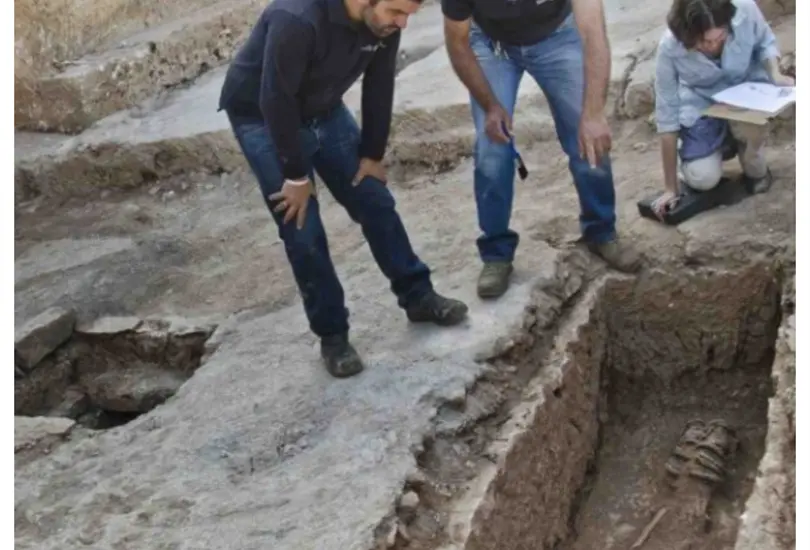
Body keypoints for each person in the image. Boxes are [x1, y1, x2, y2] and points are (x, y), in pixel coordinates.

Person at [218, 0, 469, 379]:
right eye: (397, 12)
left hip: (324, 108)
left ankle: (418, 296)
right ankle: (333, 336)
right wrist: (296, 176)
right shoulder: (296, 18)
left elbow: (379, 82)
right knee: (302, 228)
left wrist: (372, 153)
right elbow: (275, 99)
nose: (402, 23)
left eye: (408, 15)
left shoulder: (384, 23)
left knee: (375, 199)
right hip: (263, 117)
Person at [442, 0, 642, 300]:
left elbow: (593, 32)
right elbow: (457, 42)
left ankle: (601, 231)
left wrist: (593, 113)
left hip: (558, 35)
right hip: (491, 44)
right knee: (492, 151)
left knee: (588, 137)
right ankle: (496, 252)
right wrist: (490, 105)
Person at [652, 0, 794, 217]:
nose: (713, 46)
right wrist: (670, 188)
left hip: (746, 98)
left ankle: (749, 156)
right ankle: (696, 153)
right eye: (703, 42)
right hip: (701, 107)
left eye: (720, 37)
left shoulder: (744, 9)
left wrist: (775, 74)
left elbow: (765, 41)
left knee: (755, 165)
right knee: (703, 178)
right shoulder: (669, 47)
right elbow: (666, 113)